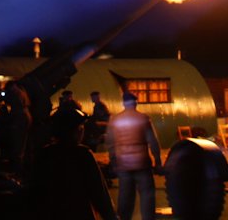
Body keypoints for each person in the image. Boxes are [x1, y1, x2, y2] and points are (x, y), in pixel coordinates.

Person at [29, 107, 117, 220]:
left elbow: (35, 191)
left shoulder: (44, 154)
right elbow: (99, 193)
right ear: (78, 130)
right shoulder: (83, 154)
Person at [106, 92, 162, 220]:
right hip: (142, 163)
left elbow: (110, 143)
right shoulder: (143, 118)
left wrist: (114, 162)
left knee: (125, 197)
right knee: (147, 196)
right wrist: (158, 161)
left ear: (123, 103)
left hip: (123, 164)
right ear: (136, 102)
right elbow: (153, 141)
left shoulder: (114, 120)